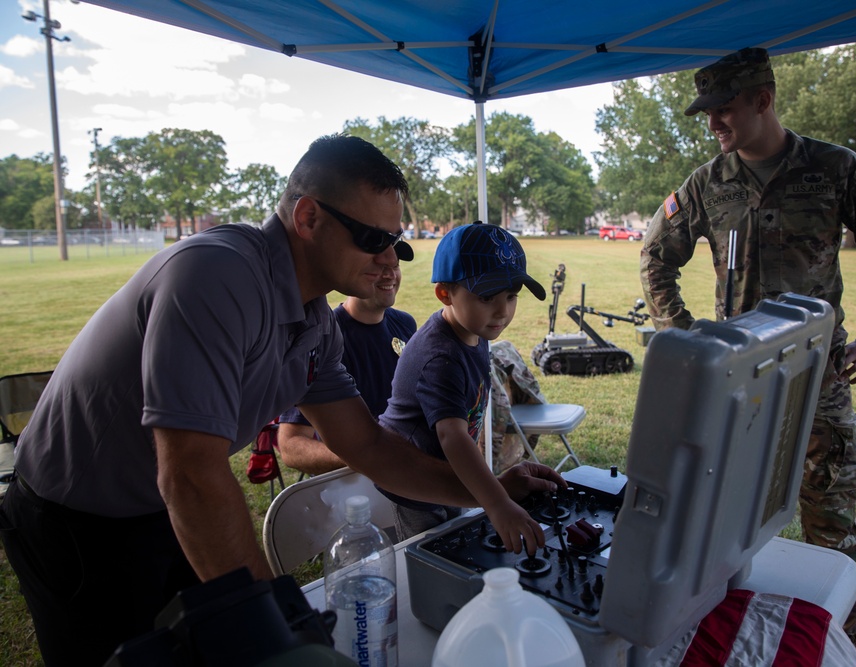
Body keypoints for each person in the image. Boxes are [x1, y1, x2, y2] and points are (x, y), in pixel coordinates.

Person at [0, 135, 562, 667]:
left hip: (162, 508)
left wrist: (486, 494)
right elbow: (191, 473)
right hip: (76, 522)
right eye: (373, 239)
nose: (389, 257)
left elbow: (367, 445)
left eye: (396, 241)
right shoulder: (216, 275)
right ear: (308, 217)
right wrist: (281, 628)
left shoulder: (315, 322)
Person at [639, 47, 856, 645]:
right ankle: (730, 631)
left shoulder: (835, 169)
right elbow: (656, 255)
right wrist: (685, 332)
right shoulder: (707, 184)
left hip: (818, 373)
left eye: (723, 109)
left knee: (830, 508)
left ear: (762, 100)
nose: (713, 123)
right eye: (707, 113)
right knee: (726, 511)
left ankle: (843, 640)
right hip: (740, 380)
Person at [378, 221, 549, 546]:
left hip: (448, 471)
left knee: (459, 543)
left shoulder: (475, 329)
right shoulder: (440, 356)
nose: (502, 311)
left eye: (512, 296)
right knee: (429, 554)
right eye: (487, 297)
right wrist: (497, 504)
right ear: (445, 293)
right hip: (414, 477)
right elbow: (452, 436)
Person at [276, 257, 417, 475]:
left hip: (410, 471)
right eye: (379, 266)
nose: (390, 274)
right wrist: (371, 458)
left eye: (395, 265)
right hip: (357, 489)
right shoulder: (321, 338)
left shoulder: (405, 324)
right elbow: (291, 445)